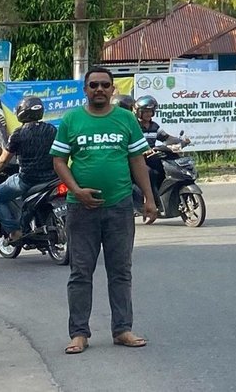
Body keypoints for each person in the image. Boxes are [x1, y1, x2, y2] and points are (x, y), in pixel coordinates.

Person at [52, 66, 157, 355]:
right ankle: (79, 334)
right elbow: (59, 161)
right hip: (80, 210)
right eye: (94, 85)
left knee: (120, 271)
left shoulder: (125, 119)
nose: (99, 89)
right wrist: (76, 191)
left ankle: (122, 329)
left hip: (120, 207)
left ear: (112, 90)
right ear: (85, 90)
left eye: (105, 85)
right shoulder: (72, 120)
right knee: (80, 272)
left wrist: (149, 198)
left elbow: (137, 161)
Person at [0, 96, 58, 242]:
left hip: (27, 180)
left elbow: (3, 160)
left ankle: (14, 231)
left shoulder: (18, 134)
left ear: (21, 113)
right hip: (52, 179)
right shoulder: (51, 130)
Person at [133, 96, 190, 224]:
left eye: (150, 111)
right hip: (138, 158)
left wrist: (181, 142)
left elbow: (166, 138)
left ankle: (164, 195)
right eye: (145, 111)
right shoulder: (134, 126)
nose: (148, 114)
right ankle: (150, 201)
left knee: (166, 168)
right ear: (138, 112)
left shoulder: (154, 126)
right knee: (150, 173)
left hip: (152, 156)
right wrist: (143, 150)